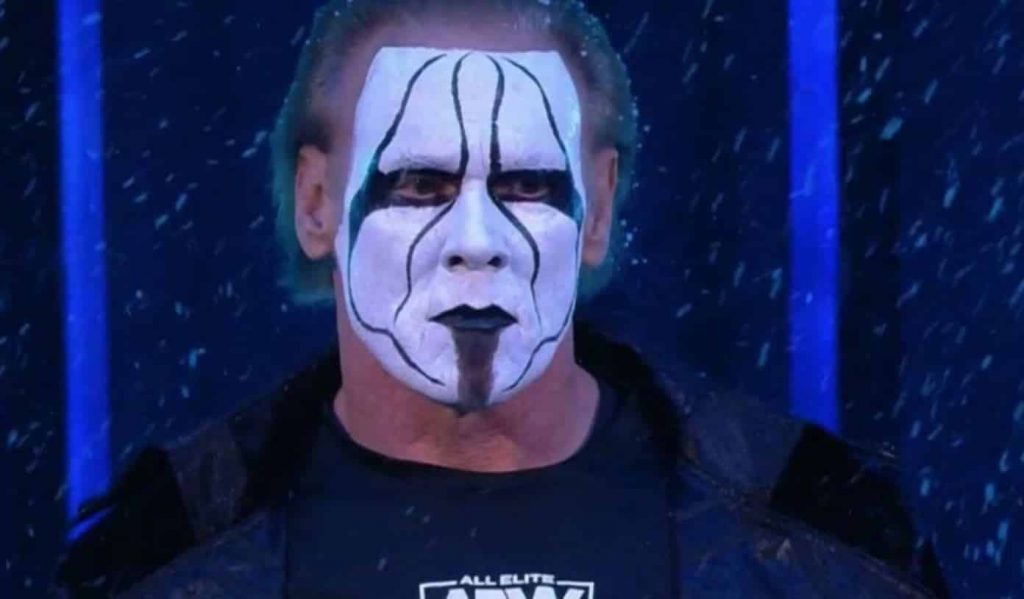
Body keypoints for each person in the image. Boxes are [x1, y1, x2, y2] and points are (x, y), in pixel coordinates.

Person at [54, 1, 948, 597]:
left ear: (598, 209)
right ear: (317, 203)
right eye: (418, 184)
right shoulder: (165, 554)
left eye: (525, 184)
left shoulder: (822, 538)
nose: (476, 240)